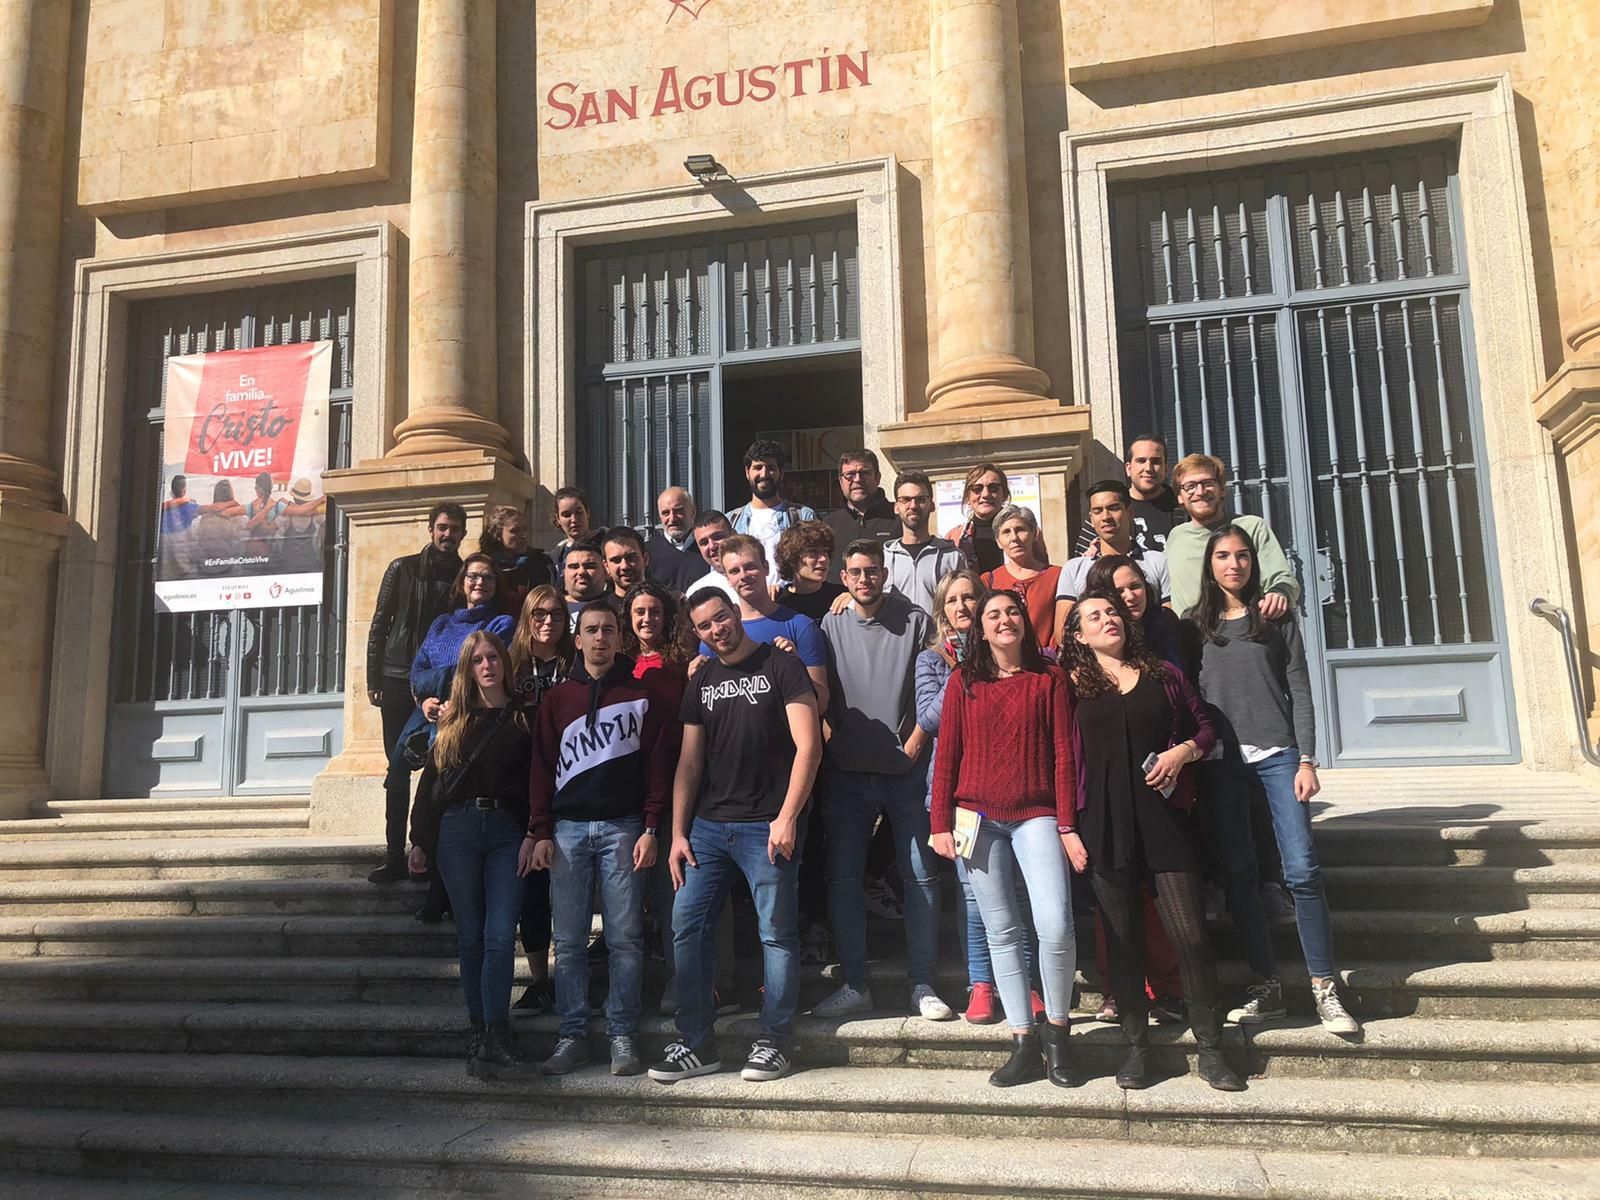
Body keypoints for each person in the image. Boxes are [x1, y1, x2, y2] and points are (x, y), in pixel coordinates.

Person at [1058, 592, 1245, 1091]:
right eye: (1093, 616)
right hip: (1101, 823)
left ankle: (1211, 1047)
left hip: (1164, 820)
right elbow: (1061, 759)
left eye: (1112, 612)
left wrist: (1181, 752)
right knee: (1123, 946)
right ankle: (1137, 1049)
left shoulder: (1164, 674)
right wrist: (1066, 827)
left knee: (1191, 937)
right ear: (1078, 635)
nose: (1107, 619)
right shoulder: (1071, 686)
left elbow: (1206, 730)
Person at [1191, 524, 1359, 1036]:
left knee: (1302, 869)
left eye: (1242, 556)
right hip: (1221, 763)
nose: (1234, 565)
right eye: (1222, 556)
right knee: (1240, 874)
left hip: (1279, 755)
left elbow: (1300, 689)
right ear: (1209, 564)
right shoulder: (1192, 625)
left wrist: (1308, 758)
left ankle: (1325, 987)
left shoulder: (1274, 618)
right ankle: (1267, 986)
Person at [648, 588, 821, 1084]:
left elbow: (808, 746)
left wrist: (789, 815)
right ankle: (696, 1043)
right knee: (687, 928)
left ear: (734, 615)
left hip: (767, 824)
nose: (716, 629)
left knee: (776, 935)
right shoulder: (701, 680)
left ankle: (774, 1042)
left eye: (721, 618)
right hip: (707, 828)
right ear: (697, 633)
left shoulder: (780, 665)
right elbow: (688, 762)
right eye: (704, 625)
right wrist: (678, 833)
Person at [929, 589, 1085, 1089]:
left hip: (1036, 814)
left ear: (1025, 621)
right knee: (1001, 932)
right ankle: (1023, 1041)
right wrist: (938, 824)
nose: (1003, 620)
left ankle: (1058, 1033)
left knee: (1055, 923)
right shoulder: (962, 682)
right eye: (992, 614)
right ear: (980, 627)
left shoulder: (1049, 678)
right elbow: (946, 756)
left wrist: (1066, 824)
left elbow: (1064, 754)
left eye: (1012, 612)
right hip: (976, 818)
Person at [522, 601, 679, 1078]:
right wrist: (541, 829)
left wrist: (652, 826)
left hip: (624, 828)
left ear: (618, 637)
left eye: (608, 629)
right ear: (578, 638)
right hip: (567, 831)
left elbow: (657, 765)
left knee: (625, 940)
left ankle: (622, 1034)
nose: (600, 638)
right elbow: (542, 768)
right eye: (591, 630)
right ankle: (572, 1035)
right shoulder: (557, 699)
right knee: (567, 942)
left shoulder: (641, 692)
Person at [812, 539, 952, 1021]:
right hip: (848, 772)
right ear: (844, 577)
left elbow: (928, 685)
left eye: (873, 571)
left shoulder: (915, 619)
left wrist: (916, 743)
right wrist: (830, 737)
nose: (865, 579)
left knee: (921, 877)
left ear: (884, 574)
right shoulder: (828, 625)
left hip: (905, 769)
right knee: (844, 879)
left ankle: (924, 983)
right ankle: (855, 983)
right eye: (855, 572)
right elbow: (820, 689)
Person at [914, 569, 1042, 1026]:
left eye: (971, 599)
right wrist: (963, 671)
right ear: (942, 611)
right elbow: (928, 719)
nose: (963, 607)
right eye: (954, 601)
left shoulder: (1011, 654)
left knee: (1020, 894)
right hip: (957, 793)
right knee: (974, 897)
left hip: (1010, 790)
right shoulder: (932, 661)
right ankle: (982, 984)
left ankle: (1025, 983)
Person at [405, 631, 531, 1079]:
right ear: (467, 668)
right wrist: (419, 839)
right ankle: (479, 1030)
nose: (487, 665)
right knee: (472, 937)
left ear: (504, 663)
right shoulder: (452, 720)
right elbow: (430, 787)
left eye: (493, 657)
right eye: (477, 659)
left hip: (506, 832)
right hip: (457, 831)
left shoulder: (523, 717)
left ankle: (497, 1032)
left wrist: (537, 832)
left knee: (500, 935)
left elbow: (537, 782)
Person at [365, 502, 466, 883]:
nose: (447, 534)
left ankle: (427, 853)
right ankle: (394, 854)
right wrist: (373, 678)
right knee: (397, 768)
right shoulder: (401, 568)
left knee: (441, 767)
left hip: (440, 682)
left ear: (461, 533)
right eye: (442, 527)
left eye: (454, 529)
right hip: (396, 678)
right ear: (430, 529)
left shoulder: (463, 575)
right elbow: (379, 624)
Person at [503, 584, 574, 1016]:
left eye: (557, 614)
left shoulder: (577, 663)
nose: (548, 622)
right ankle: (539, 979)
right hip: (518, 786)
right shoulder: (510, 666)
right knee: (530, 888)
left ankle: (571, 976)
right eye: (540, 614)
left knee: (567, 889)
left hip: (569, 783)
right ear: (528, 618)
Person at [700, 534, 830, 713]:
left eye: (750, 567)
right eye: (735, 571)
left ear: (766, 568)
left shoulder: (800, 626)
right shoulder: (717, 634)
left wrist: (796, 666)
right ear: (727, 578)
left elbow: (821, 704)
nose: (743, 576)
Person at [1165, 453, 1300, 621]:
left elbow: (1283, 579)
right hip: (1193, 639)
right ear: (1180, 497)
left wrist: (1279, 593)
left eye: (1208, 483)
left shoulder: (1251, 528)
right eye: (1190, 486)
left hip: (1245, 636)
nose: (1200, 492)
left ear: (1221, 490)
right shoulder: (1176, 538)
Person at [1055, 480, 1172, 641]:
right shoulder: (1074, 568)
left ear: (1130, 513)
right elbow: (1063, 633)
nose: (1106, 517)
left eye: (1114, 508)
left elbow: (1169, 622)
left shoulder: (1158, 561)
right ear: (1091, 518)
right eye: (1098, 510)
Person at [1085, 555, 1193, 677]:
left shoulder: (1165, 621)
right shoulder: (1098, 636)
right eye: (1119, 591)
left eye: (1135, 586)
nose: (1130, 596)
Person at [1073, 435, 1181, 556]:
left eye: (1156, 461)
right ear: (1128, 469)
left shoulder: (1182, 508)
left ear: (1166, 469)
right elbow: (1082, 562)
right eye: (1141, 461)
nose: (1148, 468)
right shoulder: (1104, 512)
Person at [981, 504, 1062, 653]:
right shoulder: (988, 581)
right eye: (1006, 532)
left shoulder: (1057, 576)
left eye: (1020, 530)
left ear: (1034, 534)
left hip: (1048, 664)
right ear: (998, 541)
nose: (1014, 538)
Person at [727, 439, 816, 572]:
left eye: (771, 468)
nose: (764, 474)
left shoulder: (802, 516)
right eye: (758, 467)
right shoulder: (731, 521)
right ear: (747, 472)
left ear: (781, 474)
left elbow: (813, 563)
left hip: (788, 592)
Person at [884, 471, 962, 615]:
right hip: (897, 637)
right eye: (905, 499)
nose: (913, 505)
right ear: (896, 507)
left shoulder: (952, 557)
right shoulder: (883, 558)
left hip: (938, 637)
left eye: (920, 499)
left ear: (931, 505)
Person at [822, 448, 899, 575]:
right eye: (850, 474)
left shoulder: (897, 518)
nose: (857, 479)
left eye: (864, 473)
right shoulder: (829, 525)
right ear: (841, 481)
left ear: (877, 478)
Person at [480, 505, 555, 618]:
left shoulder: (541, 563)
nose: (523, 535)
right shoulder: (484, 566)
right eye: (515, 531)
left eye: (524, 529)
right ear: (498, 534)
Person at [943, 462, 1011, 574]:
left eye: (993, 488)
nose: (985, 494)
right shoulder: (954, 537)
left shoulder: (1024, 531)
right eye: (977, 489)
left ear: (1004, 495)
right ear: (968, 498)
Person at [774, 521, 847, 622]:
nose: (823, 559)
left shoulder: (841, 597)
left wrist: (856, 599)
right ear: (792, 558)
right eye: (813, 552)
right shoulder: (779, 601)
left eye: (825, 551)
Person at [646, 486, 704, 595]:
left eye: (678, 511)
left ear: (693, 512)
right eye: (666, 513)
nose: (672, 518)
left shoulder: (708, 549)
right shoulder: (647, 553)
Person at [683, 510, 740, 606]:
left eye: (718, 537)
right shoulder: (696, 590)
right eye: (704, 543)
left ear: (734, 535)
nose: (712, 546)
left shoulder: (761, 575)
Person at [561, 539, 620, 631]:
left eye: (589, 566)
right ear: (564, 574)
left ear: (606, 571)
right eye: (574, 567)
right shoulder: (552, 608)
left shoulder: (620, 607)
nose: (581, 572)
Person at [551, 486, 595, 577]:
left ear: (587, 512)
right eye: (566, 515)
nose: (574, 519)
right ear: (558, 519)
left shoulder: (607, 546)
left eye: (579, 512)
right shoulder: (555, 558)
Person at [601, 525, 650, 604]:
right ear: (606, 566)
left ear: (645, 559)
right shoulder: (599, 612)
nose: (625, 566)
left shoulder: (667, 606)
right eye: (616, 560)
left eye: (631, 558)